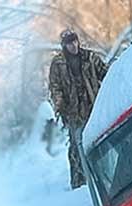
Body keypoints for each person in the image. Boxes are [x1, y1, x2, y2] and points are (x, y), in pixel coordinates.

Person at [48, 29, 109, 189]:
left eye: (75, 41)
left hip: (94, 108)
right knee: (77, 149)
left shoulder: (89, 57)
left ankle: (105, 179)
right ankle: (80, 184)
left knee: (101, 143)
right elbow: (55, 87)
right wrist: (60, 107)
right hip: (74, 113)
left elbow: (106, 74)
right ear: (64, 45)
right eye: (69, 43)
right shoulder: (58, 64)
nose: (73, 45)